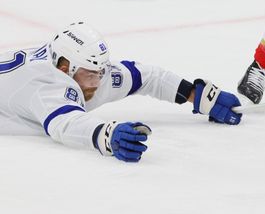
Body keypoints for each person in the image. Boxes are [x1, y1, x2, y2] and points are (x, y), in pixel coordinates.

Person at [0, 21, 242, 162]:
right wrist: (104, 134)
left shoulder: (86, 68)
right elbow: (65, 125)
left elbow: (147, 76)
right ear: (64, 68)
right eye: (91, 74)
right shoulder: (45, 85)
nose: (97, 82)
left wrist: (195, 94)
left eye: (101, 72)